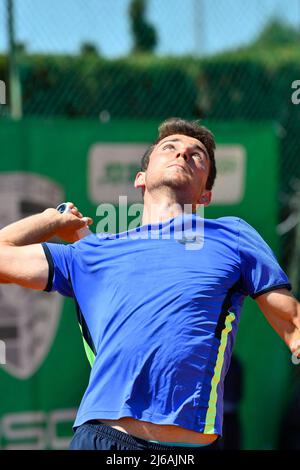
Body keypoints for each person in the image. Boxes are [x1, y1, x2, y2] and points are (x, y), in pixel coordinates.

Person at [0, 118, 299, 451]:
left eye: (197, 155)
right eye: (169, 148)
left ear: (206, 195)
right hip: (105, 441)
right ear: (140, 179)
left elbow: (292, 322)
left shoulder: (232, 236)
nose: (183, 154)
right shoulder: (91, 252)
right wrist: (50, 220)